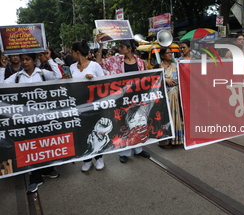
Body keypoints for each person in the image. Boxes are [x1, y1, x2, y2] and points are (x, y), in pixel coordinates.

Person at [0, 50, 62, 193]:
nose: (24, 62)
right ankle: (35, 177)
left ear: (34, 61)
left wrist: (49, 58)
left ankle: (47, 169)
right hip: (26, 120)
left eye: (27, 59)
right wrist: (2, 67)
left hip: (43, 117)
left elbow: (57, 76)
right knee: (31, 147)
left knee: (45, 144)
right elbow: (1, 85)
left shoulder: (41, 73)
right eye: (22, 59)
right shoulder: (17, 77)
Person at [95, 34, 150, 163]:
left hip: (137, 98)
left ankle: (138, 149)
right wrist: (101, 45)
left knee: (137, 123)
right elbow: (99, 62)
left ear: (129, 48)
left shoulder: (141, 62)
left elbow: (148, 77)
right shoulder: (115, 60)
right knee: (122, 124)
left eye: (121, 47)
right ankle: (123, 152)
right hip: (121, 99)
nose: (119, 49)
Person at [69, 40, 106, 172]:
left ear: (77, 52)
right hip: (79, 106)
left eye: (72, 52)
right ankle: (87, 159)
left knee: (97, 131)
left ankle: (99, 158)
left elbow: (104, 84)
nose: (71, 54)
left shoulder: (95, 66)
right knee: (83, 133)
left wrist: (93, 80)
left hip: (94, 105)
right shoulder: (72, 67)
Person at [155, 47, 183, 149]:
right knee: (165, 118)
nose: (170, 54)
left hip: (175, 97)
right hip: (164, 98)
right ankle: (164, 142)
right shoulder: (157, 67)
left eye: (171, 53)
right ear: (162, 56)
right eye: (168, 53)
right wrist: (164, 79)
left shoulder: (176, 66)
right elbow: (153, 80)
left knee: (175, 117)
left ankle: (176, 140)